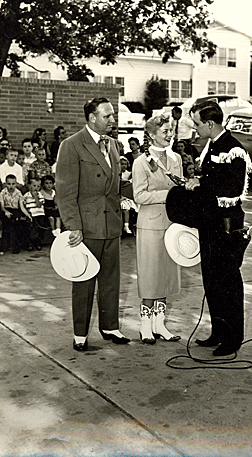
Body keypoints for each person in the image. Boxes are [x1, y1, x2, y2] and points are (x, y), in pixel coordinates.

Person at [55, 96, 130, 352]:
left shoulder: (113, 145)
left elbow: (116, 185)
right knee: (84, 281)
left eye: (112, 115)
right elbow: (64, 191)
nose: (113, 120)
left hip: (111, 223)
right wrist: (73, 225)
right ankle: (80, 333)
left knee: (111, 279)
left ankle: (110, 326)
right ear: (92, 118)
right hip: (86, 226)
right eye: (107, 116)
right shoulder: (72, 145)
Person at [185, 100, 252, 357]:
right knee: (211, 279)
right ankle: (218, 330)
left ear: (210, 123)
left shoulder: (233, 150)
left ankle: (233, 337)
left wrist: (201, 186)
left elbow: (234, 190)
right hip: (210, 222)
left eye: (197, 123)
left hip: (226, 226)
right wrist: (197, 181)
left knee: (228, 280)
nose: (195, 128)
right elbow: (213, 179)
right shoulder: (212, 145)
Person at [132, 114, 182, 344]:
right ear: (151, 135)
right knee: (150, 276)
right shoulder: (141, 162)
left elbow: (180, 189)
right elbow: (139, 195)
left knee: (165, 276)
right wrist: (168, 195)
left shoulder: (176, 158)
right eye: (165, 131)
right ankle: (145, 326)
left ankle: (160, 324)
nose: (169, 134)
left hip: (171, 225)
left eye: (171, 130)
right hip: (150, 226)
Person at [0, 174, 32, 254]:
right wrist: (6, 211)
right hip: (6, 210)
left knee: (17, 224)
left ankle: (17, 247)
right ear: (6, 184)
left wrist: (28, 215)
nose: (11, 186)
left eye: (13, 184)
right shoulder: (3, 193)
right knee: (7, 225)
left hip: (16, 210)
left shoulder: (18, 193)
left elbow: (21, 206)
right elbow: (2, 206)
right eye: (9, 184)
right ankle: (4, 247)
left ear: (16, 183)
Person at [23, 176, 48, 251]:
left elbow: (39, 205)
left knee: (40, 227)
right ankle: (30, 242)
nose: (36, 188)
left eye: (38, 186)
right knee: (31, 228)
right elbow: (24, 205)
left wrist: (36, 197)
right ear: (29, 186)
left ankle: (38, 241)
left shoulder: (40, 195)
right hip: (31, 215)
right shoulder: (26, 196)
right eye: (34, 186)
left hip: (40, 214)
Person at [119, 156, 135, 235]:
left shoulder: (129, 174)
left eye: (125, 164)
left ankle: (126, 225)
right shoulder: (116, 174)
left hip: (126, 197)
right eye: (122, 164)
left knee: (125, 208)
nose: (124, 166)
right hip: (118, 197)